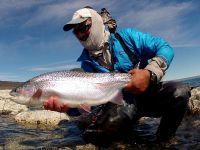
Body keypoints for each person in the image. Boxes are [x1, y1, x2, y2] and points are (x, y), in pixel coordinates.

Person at [43, 7, 191, 144]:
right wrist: (67, 107)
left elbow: (164, 48)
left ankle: (164, 142)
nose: (80, 34)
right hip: (120, 104)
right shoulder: (86, 64)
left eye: (83, 27)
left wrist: (150, 73)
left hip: (148, 95)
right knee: (97, 136)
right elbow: (86, 103)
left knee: (180, 92)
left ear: (97, 24)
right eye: (76, 32)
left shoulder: (127, 37)